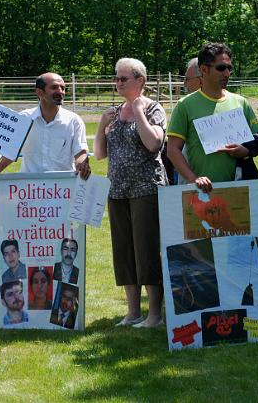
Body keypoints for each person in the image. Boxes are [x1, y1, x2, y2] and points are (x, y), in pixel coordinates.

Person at [95, 58, 167, 328]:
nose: (118, 83)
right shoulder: (113, 112)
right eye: (116, 78)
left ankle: (154, 315)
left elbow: (153, 144)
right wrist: (102, 124)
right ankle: (133, 312)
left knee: (146, 251)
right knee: (124, 252)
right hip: (118, 190)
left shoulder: (153, 109)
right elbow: (100, 154)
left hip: (146, 188)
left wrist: (138, 112)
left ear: (141, 81)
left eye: (124, 78)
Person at [167, 43, 258, 193]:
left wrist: (245, 151)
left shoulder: (241, 102)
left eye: (229, 68)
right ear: (204, 70)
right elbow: (173, 150)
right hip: (201, 192)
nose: (227, 73)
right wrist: (194, 179)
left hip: (238, 190)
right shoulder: (185, 105)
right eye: (221, 68)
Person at [0, 72, 90, 179]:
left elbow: (80, 152)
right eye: (54, 87)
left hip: (63, 189)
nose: (60, 91)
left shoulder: (74, 121)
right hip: (30, 189)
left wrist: (82, 164)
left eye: (63, 88)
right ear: (39, 92)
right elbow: (12, 149)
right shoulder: (24, 118)